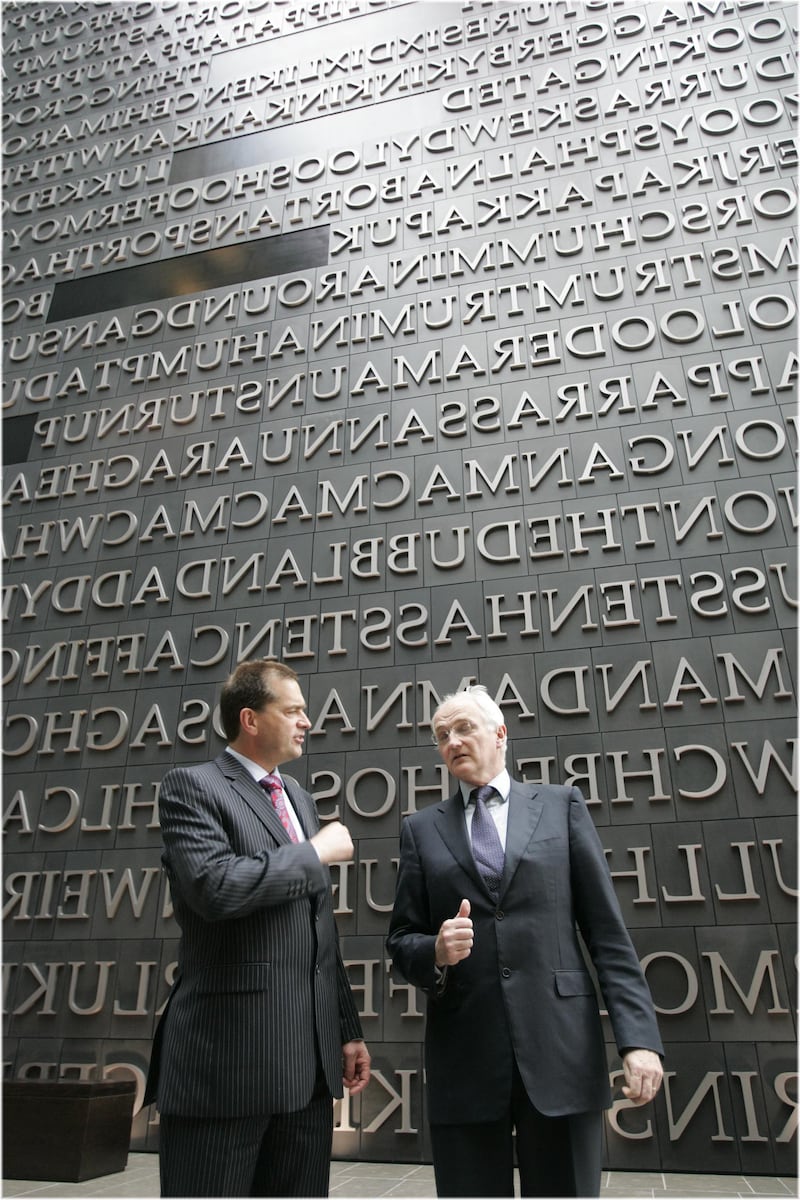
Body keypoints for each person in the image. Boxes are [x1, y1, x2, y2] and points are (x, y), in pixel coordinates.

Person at [386, 685, 663, 1198]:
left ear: (500, 733)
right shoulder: (421, 830)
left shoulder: (560, 807)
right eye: (441, 735)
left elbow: (606, 934)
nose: (452, 742)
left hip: (561, 1051)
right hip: (465, 1057)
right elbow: (401, 941)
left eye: (463, 728)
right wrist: (436, 952)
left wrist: (639, 1040)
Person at [144, 659, 370, 1198]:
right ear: (250, 718)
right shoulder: (192, 787)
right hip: (227, 1066)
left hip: (307, 1070)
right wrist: (314, 853)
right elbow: (215, 888)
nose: (306, 721)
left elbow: (317, 928)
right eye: (292, 710)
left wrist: (345, 1027)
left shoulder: (298, 797)